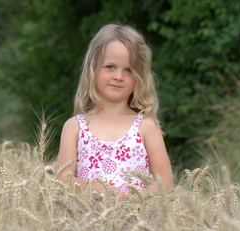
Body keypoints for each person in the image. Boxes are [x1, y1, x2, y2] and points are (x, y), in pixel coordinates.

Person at [55, 23, 173, 198]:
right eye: (110, 67)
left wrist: (133, 202)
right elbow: (62, 179)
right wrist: (97, 189)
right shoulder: (75, 127)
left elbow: (166, 182)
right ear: (92, 69)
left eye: (128, 70)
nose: (118, 76)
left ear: (139, 78)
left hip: (136, 222)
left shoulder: (146, 127)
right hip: (87, 223)